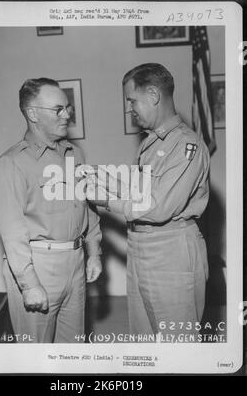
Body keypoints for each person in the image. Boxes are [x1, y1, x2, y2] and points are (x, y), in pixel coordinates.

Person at [88, 63, 210, 340]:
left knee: (177, 344)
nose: (129, 109)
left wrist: (106, 201)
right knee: (144, 339)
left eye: (132, 100)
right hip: (141, 246)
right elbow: (142, 190)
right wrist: (103, 177)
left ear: (153, 95)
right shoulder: (151, 143)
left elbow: (156, 208)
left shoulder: (186, 146)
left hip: (170, 250)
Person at [0, 78, 102, 343]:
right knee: (36, 354)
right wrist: (29, 284)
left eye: (68, 108)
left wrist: (94, 252)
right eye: (58, 109)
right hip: (38, 265)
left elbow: (87, 206)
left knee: (73, 349)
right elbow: (12, 230)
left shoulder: (74, 154)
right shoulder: (12, 163)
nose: (67, 115)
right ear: (32, 114)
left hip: (75, 264)